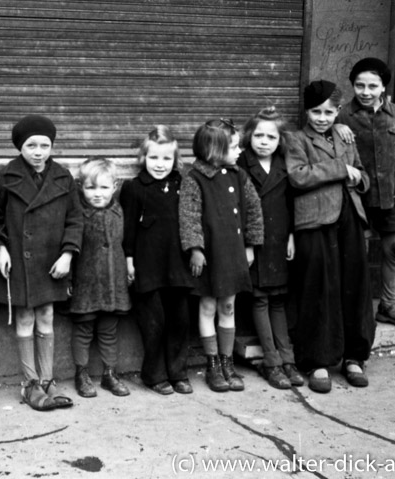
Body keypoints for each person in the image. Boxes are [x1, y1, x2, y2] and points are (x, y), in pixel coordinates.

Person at [0, 115, 83, 411]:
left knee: (48, 316)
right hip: (17, 261)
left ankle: (48, 380)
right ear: (20, 147)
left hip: (52, 261)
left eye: (44, 145)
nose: (38, 152)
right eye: (31, 145)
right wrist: (0, 248)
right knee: (25, 318)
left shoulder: (63, 177)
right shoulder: (5, 177)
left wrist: (67, 254)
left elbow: (75, 219)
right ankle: (29, 385)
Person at [285, 80, 375, 393]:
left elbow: (361, 174)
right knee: (318, 288)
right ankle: (317, 360)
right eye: (316, 111)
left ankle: (354, 357)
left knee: (354, 285)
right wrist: (340, 169)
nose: (322, 117)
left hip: (349, 217)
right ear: (306, 111)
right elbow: (297, 176)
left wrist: (358, 178)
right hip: (315, 221)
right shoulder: (295, 140)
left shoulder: (344, 135)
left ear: (338, 111)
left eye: (329, 111)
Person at [337, 57, 395, 331]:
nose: (365, 91)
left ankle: (387, 306)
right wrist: (335, 126)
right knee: (357, 251)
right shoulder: (341, 115)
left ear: (383, 87)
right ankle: (356, 308)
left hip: (389, 194)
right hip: (355, 196)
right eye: (359, 85)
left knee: (394, 247)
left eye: (372, 86)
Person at [180, 119, 264, 392]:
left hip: (232, 254)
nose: (240, 151)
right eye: (234, 147)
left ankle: (228, 362)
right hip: (208, 256)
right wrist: (195, 249)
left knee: (228, 306)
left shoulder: (239, 175)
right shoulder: (195, 179)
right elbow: (189, 217)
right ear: (215, 151)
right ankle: (212, 364)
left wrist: (250, 246)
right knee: (207, 307)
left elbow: (253, 210)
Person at [119, 126, 195, 396]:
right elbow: (127, 229)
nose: (160, 165)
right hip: (147, 267)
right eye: (153, 158)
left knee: (180, 321)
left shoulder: (183, 185)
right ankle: (154, 374)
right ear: (143, 158)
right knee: (154, 323)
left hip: (178, 266)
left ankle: (178, 372)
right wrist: (129, 260)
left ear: (175, 160)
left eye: (166, 159)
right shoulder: (134, 189)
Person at [238, 108, 304, 390]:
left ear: (280, 140)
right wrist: (247, 245)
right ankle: (272, 361)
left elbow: (291, 204)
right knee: (260, 299)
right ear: (249, 137)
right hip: (256, 242)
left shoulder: (284, 163)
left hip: (278, 240)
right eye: (259, 135)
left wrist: (291, 235)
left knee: (278, 299)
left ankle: (287, 359)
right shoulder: (241, 165)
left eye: (271, 136)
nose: (264, 141)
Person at [69, 158, 131, 398]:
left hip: (113, 282)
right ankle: (81, 373)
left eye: (104, 188)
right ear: (80, 187)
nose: (97, 194)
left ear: (114, 187)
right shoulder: (77, 215)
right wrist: (70, 282)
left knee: (108, 330)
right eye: (90, 187)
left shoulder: (119, 212)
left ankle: (109, 373)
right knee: (83, 329)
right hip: (85, 283)